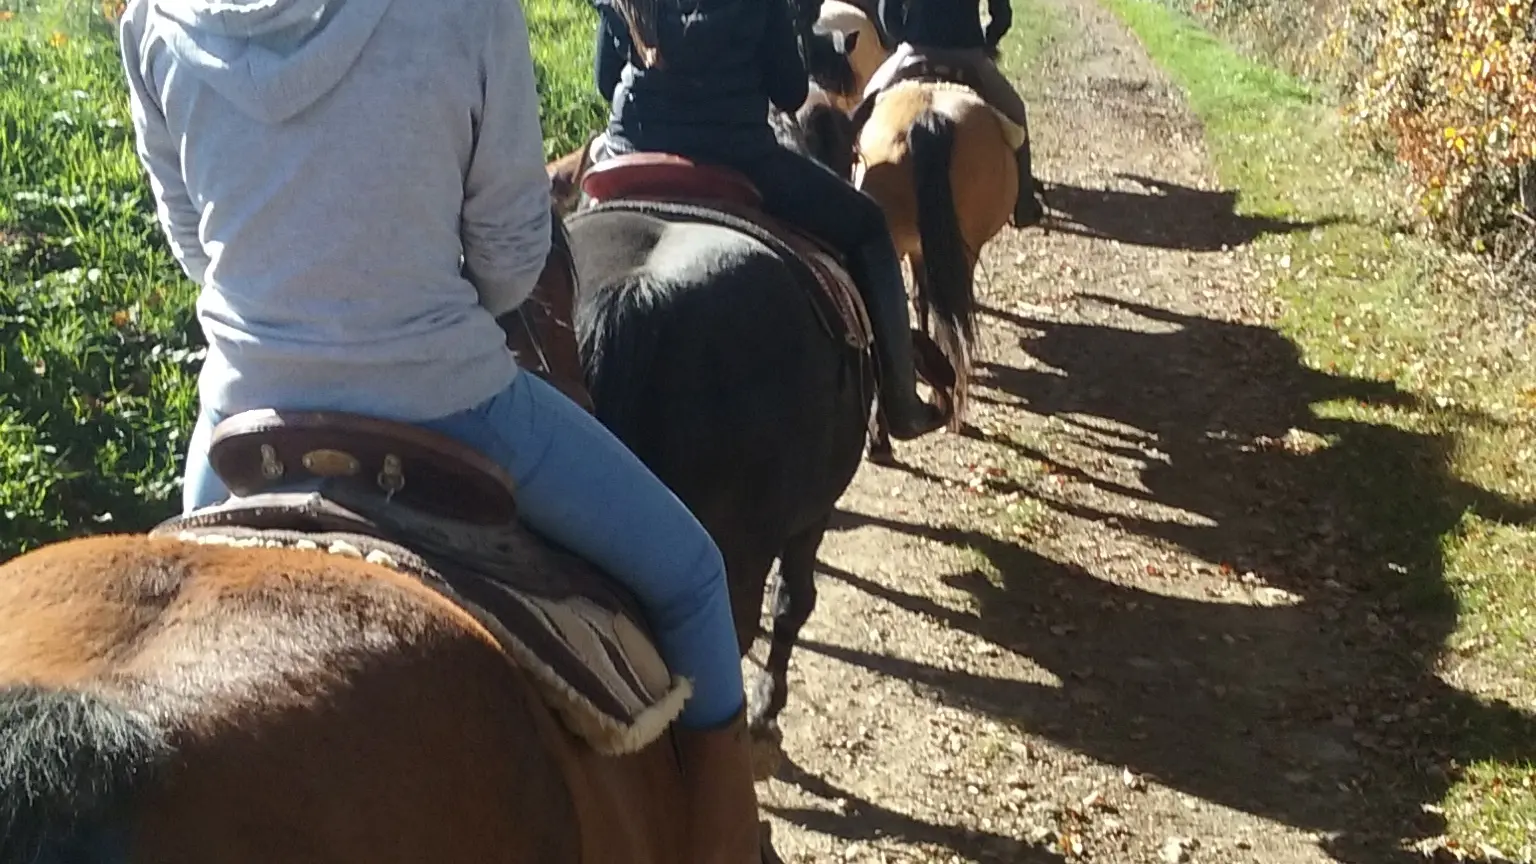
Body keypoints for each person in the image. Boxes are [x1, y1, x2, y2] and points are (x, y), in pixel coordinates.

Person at [117, 0, 766, 860]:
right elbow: (507, 262)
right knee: (690, 572)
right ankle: (726, 834)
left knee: (159, 622)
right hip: (449, 398)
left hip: (245, 418)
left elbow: (196, 249)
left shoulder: (152, 20)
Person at [592, 0, 948, 442]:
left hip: (631, 148)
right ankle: (901, 401)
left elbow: (607, 82)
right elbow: (790, 93)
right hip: (736, 153)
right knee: (869, 227)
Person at [867, 0, 1046, 227]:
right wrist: (986, 42)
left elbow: (887, 13)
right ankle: (1024, 203)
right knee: (1017, 112)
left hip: (915, 50)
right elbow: (1001, 17)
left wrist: (904, 37)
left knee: (866, 102)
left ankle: (850, 185)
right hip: (969, 55)